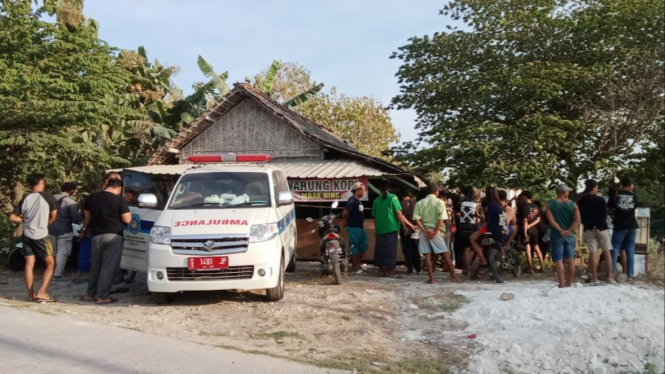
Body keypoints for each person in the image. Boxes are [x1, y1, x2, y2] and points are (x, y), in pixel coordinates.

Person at [9, 174, 58, 302]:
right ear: (42, 182)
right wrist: (44, 223)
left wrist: (25, 220)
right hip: (41, 235)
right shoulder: (48, 197)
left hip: (27, 234)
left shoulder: (25, 198)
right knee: (51, 263)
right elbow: (54, 217)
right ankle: (42, 291)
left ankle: (30, 294)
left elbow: (12, 218)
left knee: (29, 264)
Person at [81, 177, 131, 304]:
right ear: (119, 189)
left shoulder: (92, 197)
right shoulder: (119, 200)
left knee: (95, 265)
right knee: (108, 266)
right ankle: (102, 296)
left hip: (96, 234)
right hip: (114, 235)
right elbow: (127, 220)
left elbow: (87, 216)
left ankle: (90, 294)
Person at [414, 184, 459, 284]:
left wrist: (425, 230)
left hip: (424, 232)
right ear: (436, 192)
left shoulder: (419, 203)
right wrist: (435, 231)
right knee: (445, 254)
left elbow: (417, 219)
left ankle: (431, 278)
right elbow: (441, 219)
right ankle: (454, 276)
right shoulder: (440, 202)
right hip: (436, 231)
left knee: (427, 255)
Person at [372, 181, 416, 278]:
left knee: (380, 249)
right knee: (390, 250)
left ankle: (381, 269)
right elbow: (398, 213)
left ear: (380, 190)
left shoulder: (376, 201)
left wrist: (376, 229)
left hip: (380, 229)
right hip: (391, 228)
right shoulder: (393, 197)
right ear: (390, 190)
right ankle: (390, 270)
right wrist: (404, 226)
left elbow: (374, 218)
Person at [577, 180, 616, 284]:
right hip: (602, 228)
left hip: (589, 229)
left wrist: (591, 226)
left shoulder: (581, 201)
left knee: (593, 252)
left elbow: (580, 217)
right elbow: (604, 214)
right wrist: (598, 226)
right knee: (607, 251)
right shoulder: (601, 200)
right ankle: (610, 276)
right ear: (594, 188)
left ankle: (593, 277)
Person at [546, 184, 581, 288]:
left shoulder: (550, 204)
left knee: (559, 260)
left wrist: (560, 230)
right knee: (570, 259)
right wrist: (569, 230)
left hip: (557, 234)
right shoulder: (573, 204)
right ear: (564, 192)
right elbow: (577, 220)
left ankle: (561, 283)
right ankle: (569, 282)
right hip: (570, 235)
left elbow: (551, 221)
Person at [607, 176, 639, 280]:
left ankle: (612, 273)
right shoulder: (634, 196)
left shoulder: (616, 194)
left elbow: (609, 207)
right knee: (630, 249)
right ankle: (630, 275)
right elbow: (635, 208)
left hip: (619, 225)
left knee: (615, 248)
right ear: (630, 185)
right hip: (632, 225)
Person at [49, 182, 82, 279]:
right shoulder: (70, 202)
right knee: (63, 252)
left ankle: (49, 271)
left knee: (52, 252)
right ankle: (57, 274)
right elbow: (75, 219)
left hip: (50, 228)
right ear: (71, 191)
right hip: (65, 229)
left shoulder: (51, 198)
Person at [469, 186, 505, 273]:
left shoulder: (491, 205)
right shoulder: (499, 205)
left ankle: (482, 260)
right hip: (500, 230)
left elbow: (487, 222)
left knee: (472, 238)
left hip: (490, 230)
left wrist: (479, 230)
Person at [343, 182, 368, 274]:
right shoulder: (352, 200)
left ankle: (358, 265)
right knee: (354, 248)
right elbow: (345, 213)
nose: (364, 192)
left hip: (360, 228)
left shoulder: (358, 201)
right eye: (363, 190)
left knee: (363, 246)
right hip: (353, 227)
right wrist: (347, 221)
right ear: (358, 190)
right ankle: (355, 268)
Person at [458, 188, 484, 276]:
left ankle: (466, 268)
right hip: (473, 228)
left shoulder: (462, 203)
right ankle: (468, 268)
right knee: (472, 248)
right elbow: (481, 218)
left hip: (462, 227)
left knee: (466, 248)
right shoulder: (477, 205)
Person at [519, 190, 545, 273]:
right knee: (537, 248)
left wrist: (525, 231)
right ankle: (542, 266)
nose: (521, 198)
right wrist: (532, 225)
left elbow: (524, 221)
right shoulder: (536, 207)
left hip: (527, 229)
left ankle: (530, 267)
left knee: (528, 248)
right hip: (534, 230)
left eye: (522, 197)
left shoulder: (524, 207)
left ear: (525, 197)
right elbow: (538, 219)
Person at [399, 190, 421, 275]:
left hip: (405, 229)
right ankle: (418, 268)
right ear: (410, 194)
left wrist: (408, 225)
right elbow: (419, 215)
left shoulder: (400, 204)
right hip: (416, 228)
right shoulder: (416, 203)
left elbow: (401, 216)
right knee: (415, 248)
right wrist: (416, 226)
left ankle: (410, 268)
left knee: (407, 248)